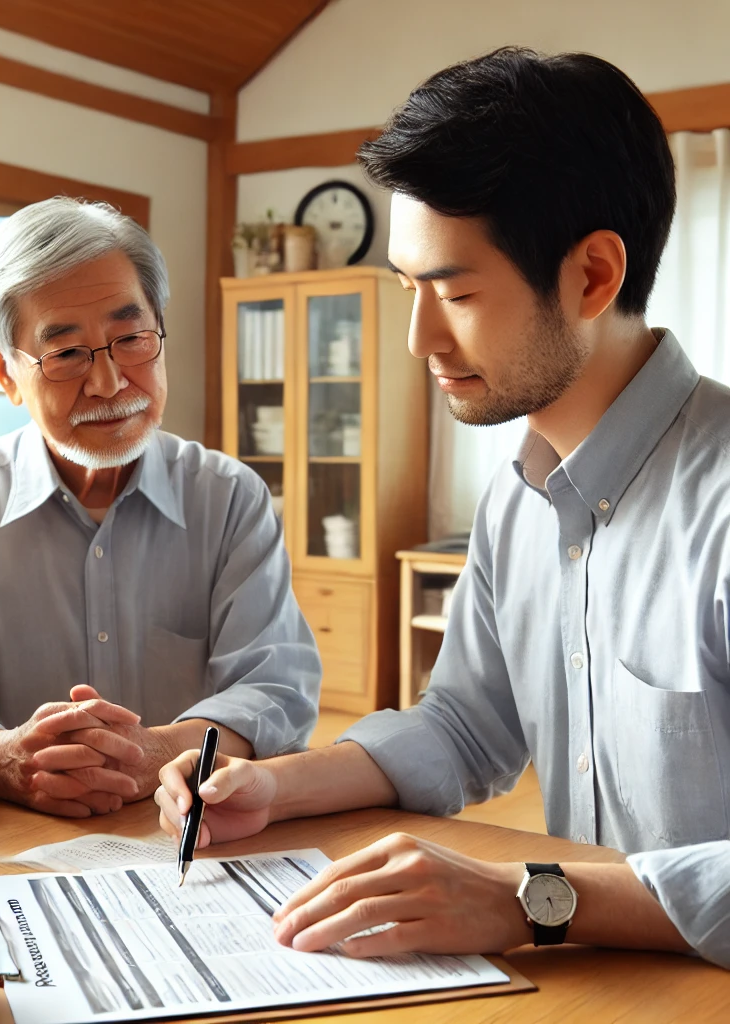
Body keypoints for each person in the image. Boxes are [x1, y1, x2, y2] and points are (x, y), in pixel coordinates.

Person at [155, 47, 730, 969]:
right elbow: (465, 724)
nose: (419, 337)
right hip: (603, 982)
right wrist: (274, 785)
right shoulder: (520, 499)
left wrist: (530, 897)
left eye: (456, 292)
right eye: (407, 288)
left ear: (592, 276)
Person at [0, 198, 320, 819]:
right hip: (6, 840)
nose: (110, 382)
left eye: (130, 338)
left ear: (160, 330)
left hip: (196, 832)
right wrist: (14, 760)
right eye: (66, 354)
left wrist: (156, 753)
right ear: (6, 373)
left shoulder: (229, 498)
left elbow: (274, 689)